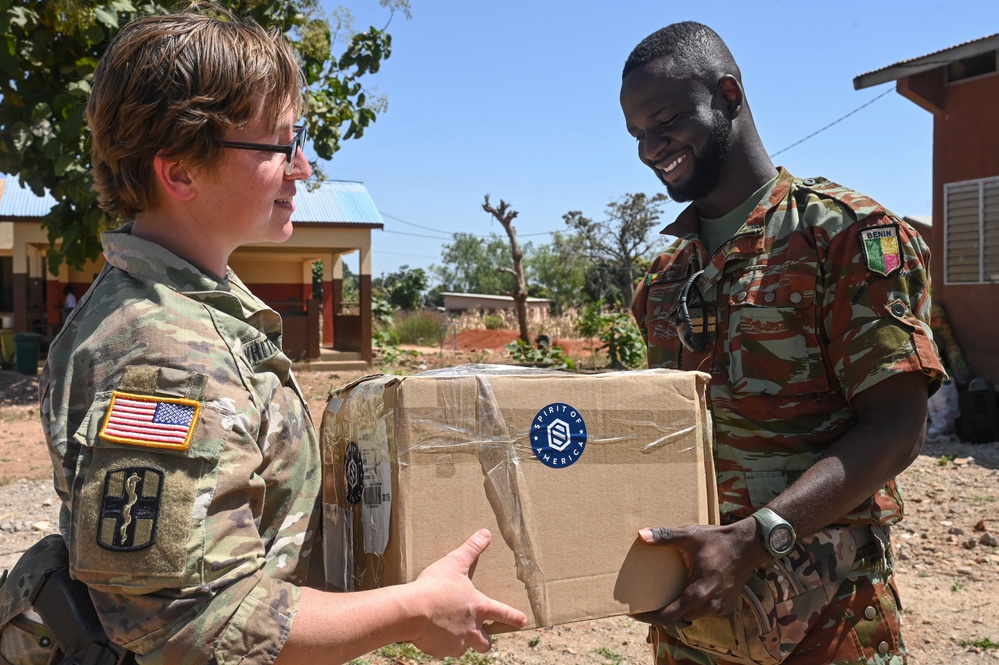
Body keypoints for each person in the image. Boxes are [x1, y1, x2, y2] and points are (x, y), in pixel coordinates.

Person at [33, 3, 526, 664]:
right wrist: (411, 609)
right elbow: (187, 624)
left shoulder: (193, 309)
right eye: (283, 145)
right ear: (178, 170)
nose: (304, 169)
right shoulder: (160, 349)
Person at [621, 22, 945, 665]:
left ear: (729, 94)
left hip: (826, 623)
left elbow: (898, 427)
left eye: (665, 121)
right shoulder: (664, 279)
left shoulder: (844, 236)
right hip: (696, 622)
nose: (651, 148)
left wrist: (756, 536)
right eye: (637, 135)